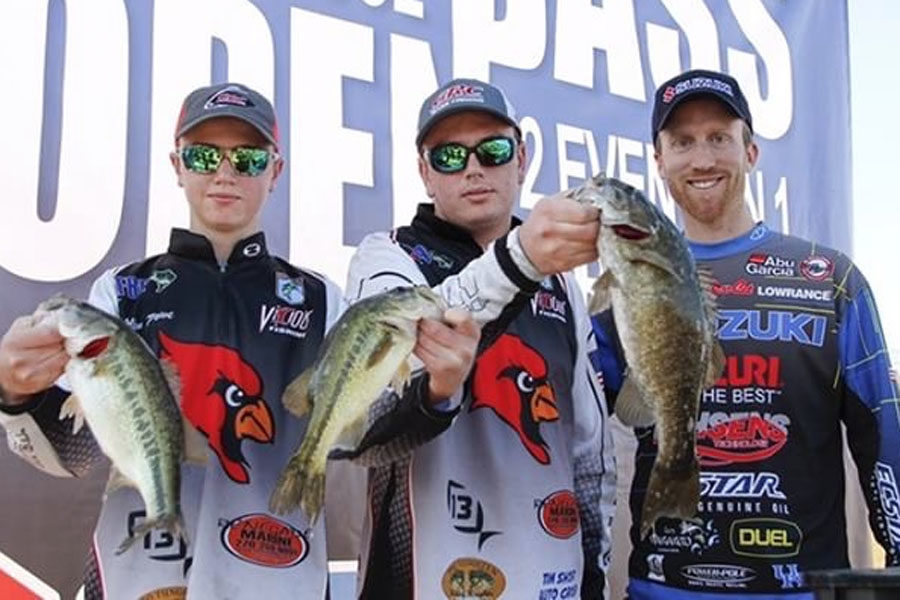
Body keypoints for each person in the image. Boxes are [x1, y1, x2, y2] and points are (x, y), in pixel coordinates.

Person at [0, 82, 480, 599]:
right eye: (206, 155)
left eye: (247, 158)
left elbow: (368, 441)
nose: (225, 172)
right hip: (139, 583)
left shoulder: (322, 300)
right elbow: (75, 455)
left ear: (275, 171)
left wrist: (438, 392)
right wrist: (15, 394)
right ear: (177, 164)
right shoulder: (121, 294)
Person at [590, 69, 900, 599]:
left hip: (803, 589)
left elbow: (882, 432)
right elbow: (587, 431)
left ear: (751, 152)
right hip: (661, 587)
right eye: (682, 142)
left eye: (719, 138)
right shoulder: (624, 287)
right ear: (659, 161)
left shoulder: (831, 279)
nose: (703, 158)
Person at [340, 78, 617, 599]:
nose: (472, 169)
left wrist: (595, 573)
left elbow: (589, 450)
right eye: (448, 156)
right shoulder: (387, 257)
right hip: (424, 580)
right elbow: (381, 408)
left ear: (522, 160)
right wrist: (520, 261)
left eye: (492, 150)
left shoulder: (561, 279)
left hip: (551, 580)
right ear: (424, 173)